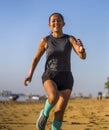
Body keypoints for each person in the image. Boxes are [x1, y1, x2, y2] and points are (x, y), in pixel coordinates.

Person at [24, 12, 86, 130]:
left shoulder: (70, 39)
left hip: (66, 77)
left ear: (63, 23)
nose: (56, 22)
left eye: (59, 20)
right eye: (53, 21)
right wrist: (30, 75)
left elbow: (82, 57)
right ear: (49, 25)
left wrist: (82, 50)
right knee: (53, 96)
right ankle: (45, 114)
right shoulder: (45, 40)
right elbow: (36, 58)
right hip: (50, 75)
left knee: (59, 113)